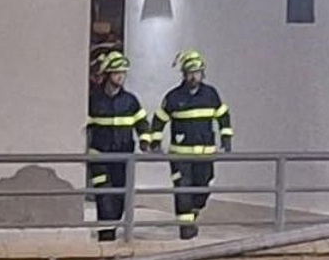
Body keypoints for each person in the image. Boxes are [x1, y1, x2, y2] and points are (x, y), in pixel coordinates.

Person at [149, 50, 232, 240]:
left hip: (205, 154)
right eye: (191, 73)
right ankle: (186, 228)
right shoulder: (174, 97)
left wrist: (226, 138)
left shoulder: (211, 94)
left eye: (198, 73)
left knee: (203, 188)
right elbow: (159, 119)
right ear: (184, 74)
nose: (194, 77)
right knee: (183, 189)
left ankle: (193, 214)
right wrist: (155, 141)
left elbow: (223, 116)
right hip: (180, 155)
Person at [86, 51, 147, 242]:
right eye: (116, 72)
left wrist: (146, 140)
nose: (120, 76)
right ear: (107, 74)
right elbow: (84, 126)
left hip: (123, 159)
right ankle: (106, 238)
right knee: (104, 199)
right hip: (100, 158)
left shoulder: (130, 101)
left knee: (120, 200)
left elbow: (142, 123)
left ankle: (111, 229)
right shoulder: (94, 100)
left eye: (123, 73)